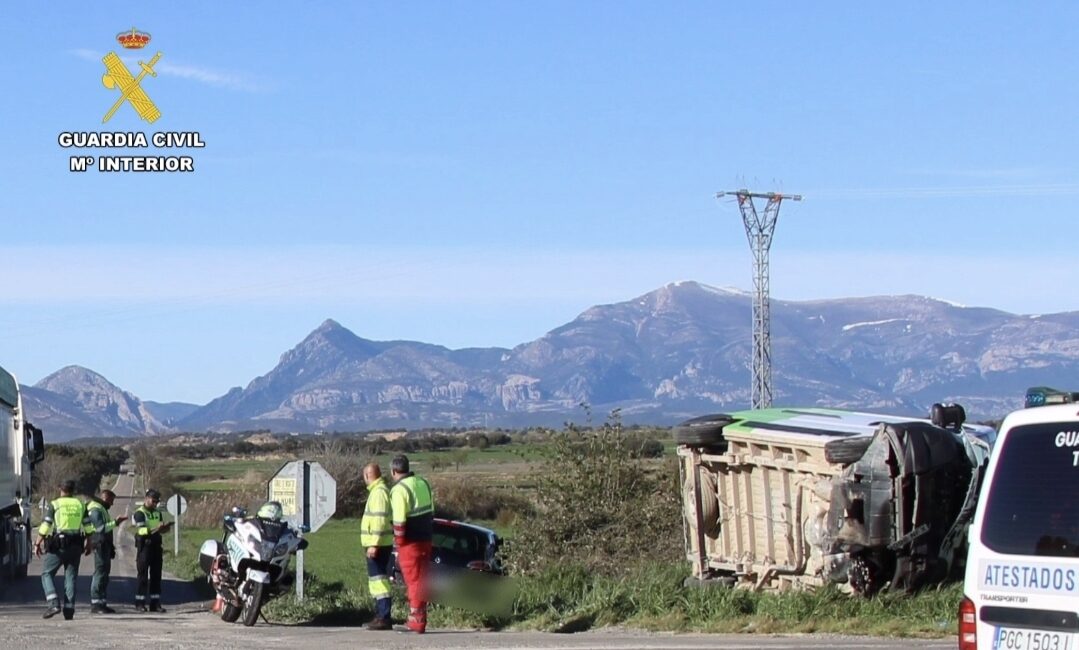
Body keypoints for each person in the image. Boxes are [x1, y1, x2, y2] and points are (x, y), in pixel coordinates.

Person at [389, 455, 434, 633]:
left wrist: (398, 542)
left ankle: (416, 620)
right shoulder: (423, 483)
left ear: (394, 471)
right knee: (422, 579)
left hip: (410, 542)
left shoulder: (399, 490)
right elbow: (432, 511)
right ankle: (420, 617)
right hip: (426, 538)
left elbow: (399, 521)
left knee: (413, 581)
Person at [35, 479, 92, 620]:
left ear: (61, 489)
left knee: (47, 574)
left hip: (59, 545)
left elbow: (47, 524)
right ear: (73, 490)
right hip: (76, 545)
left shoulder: (55, 504)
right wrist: (89, 543)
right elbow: (88, 526)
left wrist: (38, 542)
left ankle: (53, 604)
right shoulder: (80, 504)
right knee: (71, 577)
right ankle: (69, 610)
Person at [361, 462, 393, 630]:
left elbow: (380, 521)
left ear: (368, 476)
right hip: (380, 544)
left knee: (379, 580)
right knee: (377, 581)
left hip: (378, 545)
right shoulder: (379, 491)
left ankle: (383, 616)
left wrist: (374, 544)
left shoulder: (379, 493)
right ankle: (381, 615)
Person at [86, 489, 128, 614]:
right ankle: (95, 604)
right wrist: (116, 522)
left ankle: (102, 603)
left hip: (104, 544)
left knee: (104, 574)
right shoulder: (95, 509)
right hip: (99, 544)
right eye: (111, 500)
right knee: (99, 573)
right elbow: (100, 528)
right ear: (105, 498)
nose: (112, 504)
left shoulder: (101, 509)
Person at [132, 488, 172, 612]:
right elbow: (141, 530)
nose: (155, 504)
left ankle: (155, 603)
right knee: (143, 576)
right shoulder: (139, 513)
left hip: (156, 546)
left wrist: (165, 528)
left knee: (156, 576)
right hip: (145, 547)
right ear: (146, 499)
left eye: (157, 502)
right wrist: (156, 528)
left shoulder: (157, 513)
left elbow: (161, 529)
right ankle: (140, 603)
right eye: (153, 501)